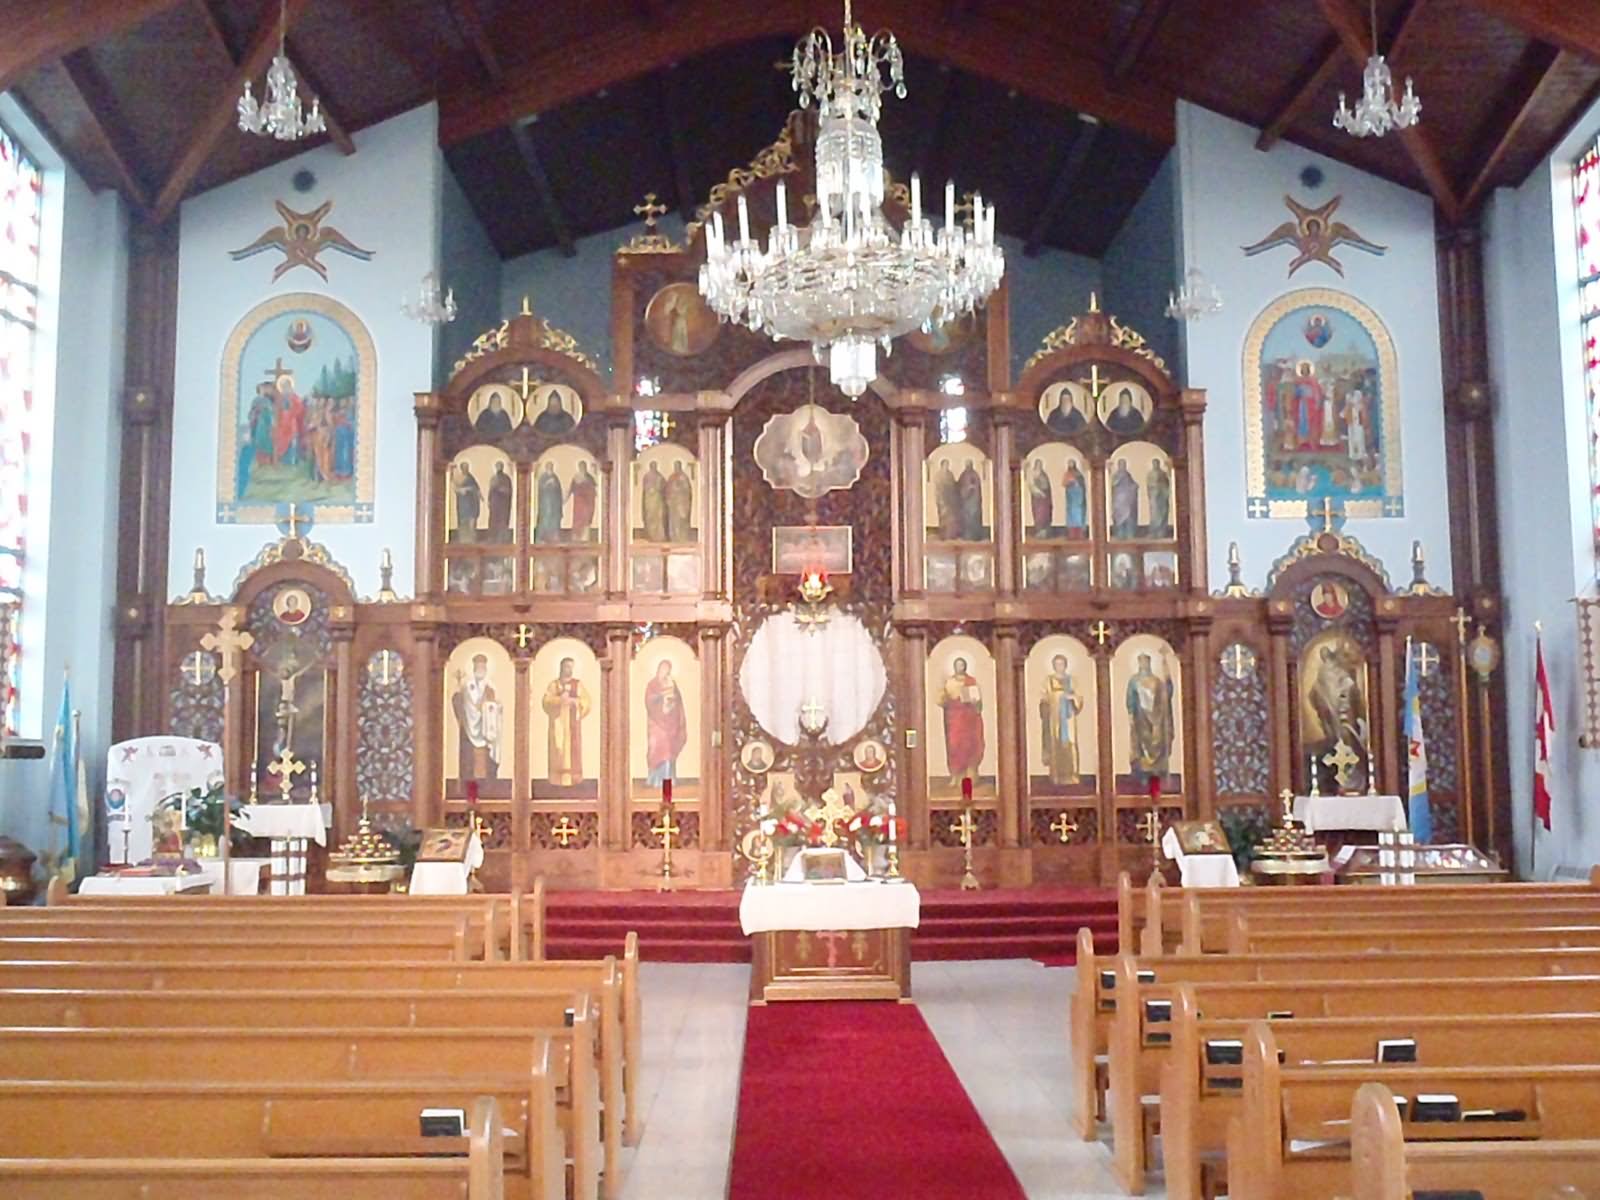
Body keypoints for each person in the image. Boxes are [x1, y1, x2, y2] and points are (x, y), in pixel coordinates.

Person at [541, 657, 590, 786]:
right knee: (558, 749)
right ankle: (556, 779)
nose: (569, 669)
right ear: (562, 667)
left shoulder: (578, 684)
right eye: (567, 666)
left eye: (571, 667)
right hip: (558, 723)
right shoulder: (554, 685)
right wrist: (559, 700)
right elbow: (546, 702)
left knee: (573, 749)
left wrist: (576, 702)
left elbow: (586, 702)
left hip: (572, 723)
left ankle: (574, 779)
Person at [453, 654, 501, 784]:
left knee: (485, 764)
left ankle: (486, 787)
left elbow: (495, 706)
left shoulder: (490, 686)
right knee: (470, 765)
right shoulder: (467, 686)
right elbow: (468, 705)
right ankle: (471, 792)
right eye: (478, 666)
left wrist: (495, 707)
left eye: (483, 666)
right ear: (474, 667)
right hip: (470, 729)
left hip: (486, 729)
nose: (480, 668)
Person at [1126, 652, 1174, 780]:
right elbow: (1130, 699)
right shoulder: (1134, 680)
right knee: (1141, 742)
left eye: (1146, 662)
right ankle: (1142, 771)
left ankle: (1157, 770)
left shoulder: (1157, 681)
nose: (1144, 664)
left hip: (1156, 718)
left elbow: (1167, 694)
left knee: (1157, 739)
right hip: (1140, 717)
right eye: (1141, 662)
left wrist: (1167, 675)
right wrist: (1131, 714)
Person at [938, 657, 985, 787]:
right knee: (954, 745)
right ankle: (956, 775)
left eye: (962, 665)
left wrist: (975, 702)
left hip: (969, 718)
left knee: (969, 745)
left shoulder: (971, 681)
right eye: (957, 665)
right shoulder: (949, 681)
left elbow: (978, 702)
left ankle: (969, 778)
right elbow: (942, 700)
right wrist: (944, 696)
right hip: (954, 718)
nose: (960, 667)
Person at [1039, 654, 1082, 785]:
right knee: (1055, 744)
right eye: (1057, 664)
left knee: (1071, 744)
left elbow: (1078, 698)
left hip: (1069, 718)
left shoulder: (1072, 680)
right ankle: (1056, 775)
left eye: (1061, 664)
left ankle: (1072, 774)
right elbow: (1044, 698)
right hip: (1055, 718)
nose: (1059, 667)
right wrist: (1055, 699)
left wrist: (1072, 698)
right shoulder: (1048, 680)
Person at [644, 659, 687, 786]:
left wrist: (671, 701)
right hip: (656, 723)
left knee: (668, 750)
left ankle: (667, 783)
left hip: (670, 722)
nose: (665, 672)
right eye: (663, 669)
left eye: (667, 669)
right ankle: (655, 780)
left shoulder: (672, 683)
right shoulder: (652, 684)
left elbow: (678, 701)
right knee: (656, 749)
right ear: (658, 669)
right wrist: (661, 697)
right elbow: (649, 701)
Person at [451, 461, 482, 543]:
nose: (466, 469)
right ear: (462, 468)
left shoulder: (470, 477)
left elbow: (476, 487)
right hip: (463, 502)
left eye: (467, 467)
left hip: (472, 501)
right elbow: (455, 488)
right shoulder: (458, 477)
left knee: (472, 518)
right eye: (464, 467)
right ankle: (464, 539)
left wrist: (479, 495)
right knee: (464, 519)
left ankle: (472, 539)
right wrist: (463, 490)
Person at [534, 461, 563, 544]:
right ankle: (542, 538)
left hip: (555, 502)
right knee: (545, 518)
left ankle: (553, 537)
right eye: (549, 466)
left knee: (554, 518)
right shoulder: (543, 477)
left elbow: (558, 490)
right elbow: (541, 488)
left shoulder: (555, 477)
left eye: (551, 466)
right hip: (545, 502)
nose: (550, 468)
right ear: (546, 468)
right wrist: (548, 483)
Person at [568, 460, 598, 541]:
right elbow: (571, 488)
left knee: (586, 518)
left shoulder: (589, 477)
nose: (582, 468)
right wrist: (566, 498)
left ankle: (585, 537)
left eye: (583, 466)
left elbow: (594, 486)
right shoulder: (576, 477)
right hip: (578, 502)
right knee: (578, 518)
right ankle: (576, 536)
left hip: (587, 502)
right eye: (580, 466)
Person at [665, 461, 694, 542]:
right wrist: (669, 498)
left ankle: (682, 537)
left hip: (681, 502)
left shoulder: (683, 477)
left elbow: (687, 490)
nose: (676, 468)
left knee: (681, 520)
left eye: (677, 466)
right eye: (675, 466)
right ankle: (673, 536)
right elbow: (667, 489)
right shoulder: (671, 477)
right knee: (673, 520)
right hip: (673, 503)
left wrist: (678, 489)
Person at [1110, 459, 1139, 539]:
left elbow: (1132, 484)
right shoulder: (1116, 475)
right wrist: (1120, 479)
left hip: (1127, 499)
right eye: (1121, 464)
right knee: (1119, 516)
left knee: (1129, 516)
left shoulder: (1128, 474)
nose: (1123, 466)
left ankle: (1129, 534)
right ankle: (1120, 534)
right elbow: (1114, 484)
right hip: (1119, 499)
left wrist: (1135, 486)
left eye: (1124, 464)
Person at [933, 459, 961, 541]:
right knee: (944, 517)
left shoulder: (950, 474)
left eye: (947, 465)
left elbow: (953, 486)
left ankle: (951, 535)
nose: (946, 466)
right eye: (945, 465)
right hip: (943, 500)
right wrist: (941, 499)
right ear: (942, 465)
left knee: (951, 518)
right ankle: (944, 535)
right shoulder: (938, 476)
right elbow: (938, 488)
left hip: (951, 500)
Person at [640, 461, 667, 542]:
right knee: (650, 517)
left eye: (655, 466)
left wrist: (656, 489)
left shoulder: (660, 477)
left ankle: (659, 536)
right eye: (652, 466)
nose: (653, 467)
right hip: (649, 500)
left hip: (657, 500)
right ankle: (650, 535)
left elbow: (663, 488)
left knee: (658, 518)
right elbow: (645, 489)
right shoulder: (647, 476)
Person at [487, 460, 514, 543]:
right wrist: (489, 500)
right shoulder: (493, 478)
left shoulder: (506, 478)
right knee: (493, 519)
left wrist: (502, 490)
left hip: (503, 503)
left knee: (503, 519)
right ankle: (492, 537)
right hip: (495, 502)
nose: (499, 468)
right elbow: (491, 490)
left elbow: (508, 490)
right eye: (497, 466)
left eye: (500, 466)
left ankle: (502, 538)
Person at [958, 460, 985, 540]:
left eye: (969, 465)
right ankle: (966, 535)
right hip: (966, 502)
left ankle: (974, 536)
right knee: (966, 518)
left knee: (973, 517)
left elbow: (976, 487)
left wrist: (971, 488)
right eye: (967, 465)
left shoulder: (974, 475)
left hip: (973, 500)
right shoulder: (963, 475)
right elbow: (959, 486)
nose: (967, 466)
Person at [1146, 458, 1172, 538]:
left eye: (1156, 463)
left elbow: (1167, 484)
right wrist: (1154, 487)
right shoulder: (1150, 474)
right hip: (1154, 496)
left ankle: (1161, 531)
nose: (1155, 465)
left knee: (1162, 513)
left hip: (1162, 496)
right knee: (1154, 514)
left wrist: (1162, 488)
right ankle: (1154, 531)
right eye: (1154, 463)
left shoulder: (1163, 474)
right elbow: (1149, 486)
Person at [1028, 458, 1053, 538]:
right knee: (1039, 514)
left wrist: (1045, 493)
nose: (1039, 466)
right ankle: (1039, 531)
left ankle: (1045, 531)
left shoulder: (1044, 474)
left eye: (1040, 464)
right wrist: (1039, 492)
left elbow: (1047, 486)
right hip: (1038, 497)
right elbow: (1031, 486)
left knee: (1045, 514)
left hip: (1045, 498)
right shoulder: (1033, 474)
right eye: (1038, 464)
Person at [1063, 460, 1088, 538]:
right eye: (1069, 464)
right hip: (1071, 497)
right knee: (1071, 515)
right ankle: (1071, 534)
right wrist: (1070, 483)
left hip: (1078, 497)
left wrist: (1077, 482)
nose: (1071, 466)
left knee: (1078, 515)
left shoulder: (1079, 474)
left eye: (1072, 464)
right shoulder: (1067, 474)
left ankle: (1080, 534)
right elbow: (1064, 483)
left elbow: (1082, 484)